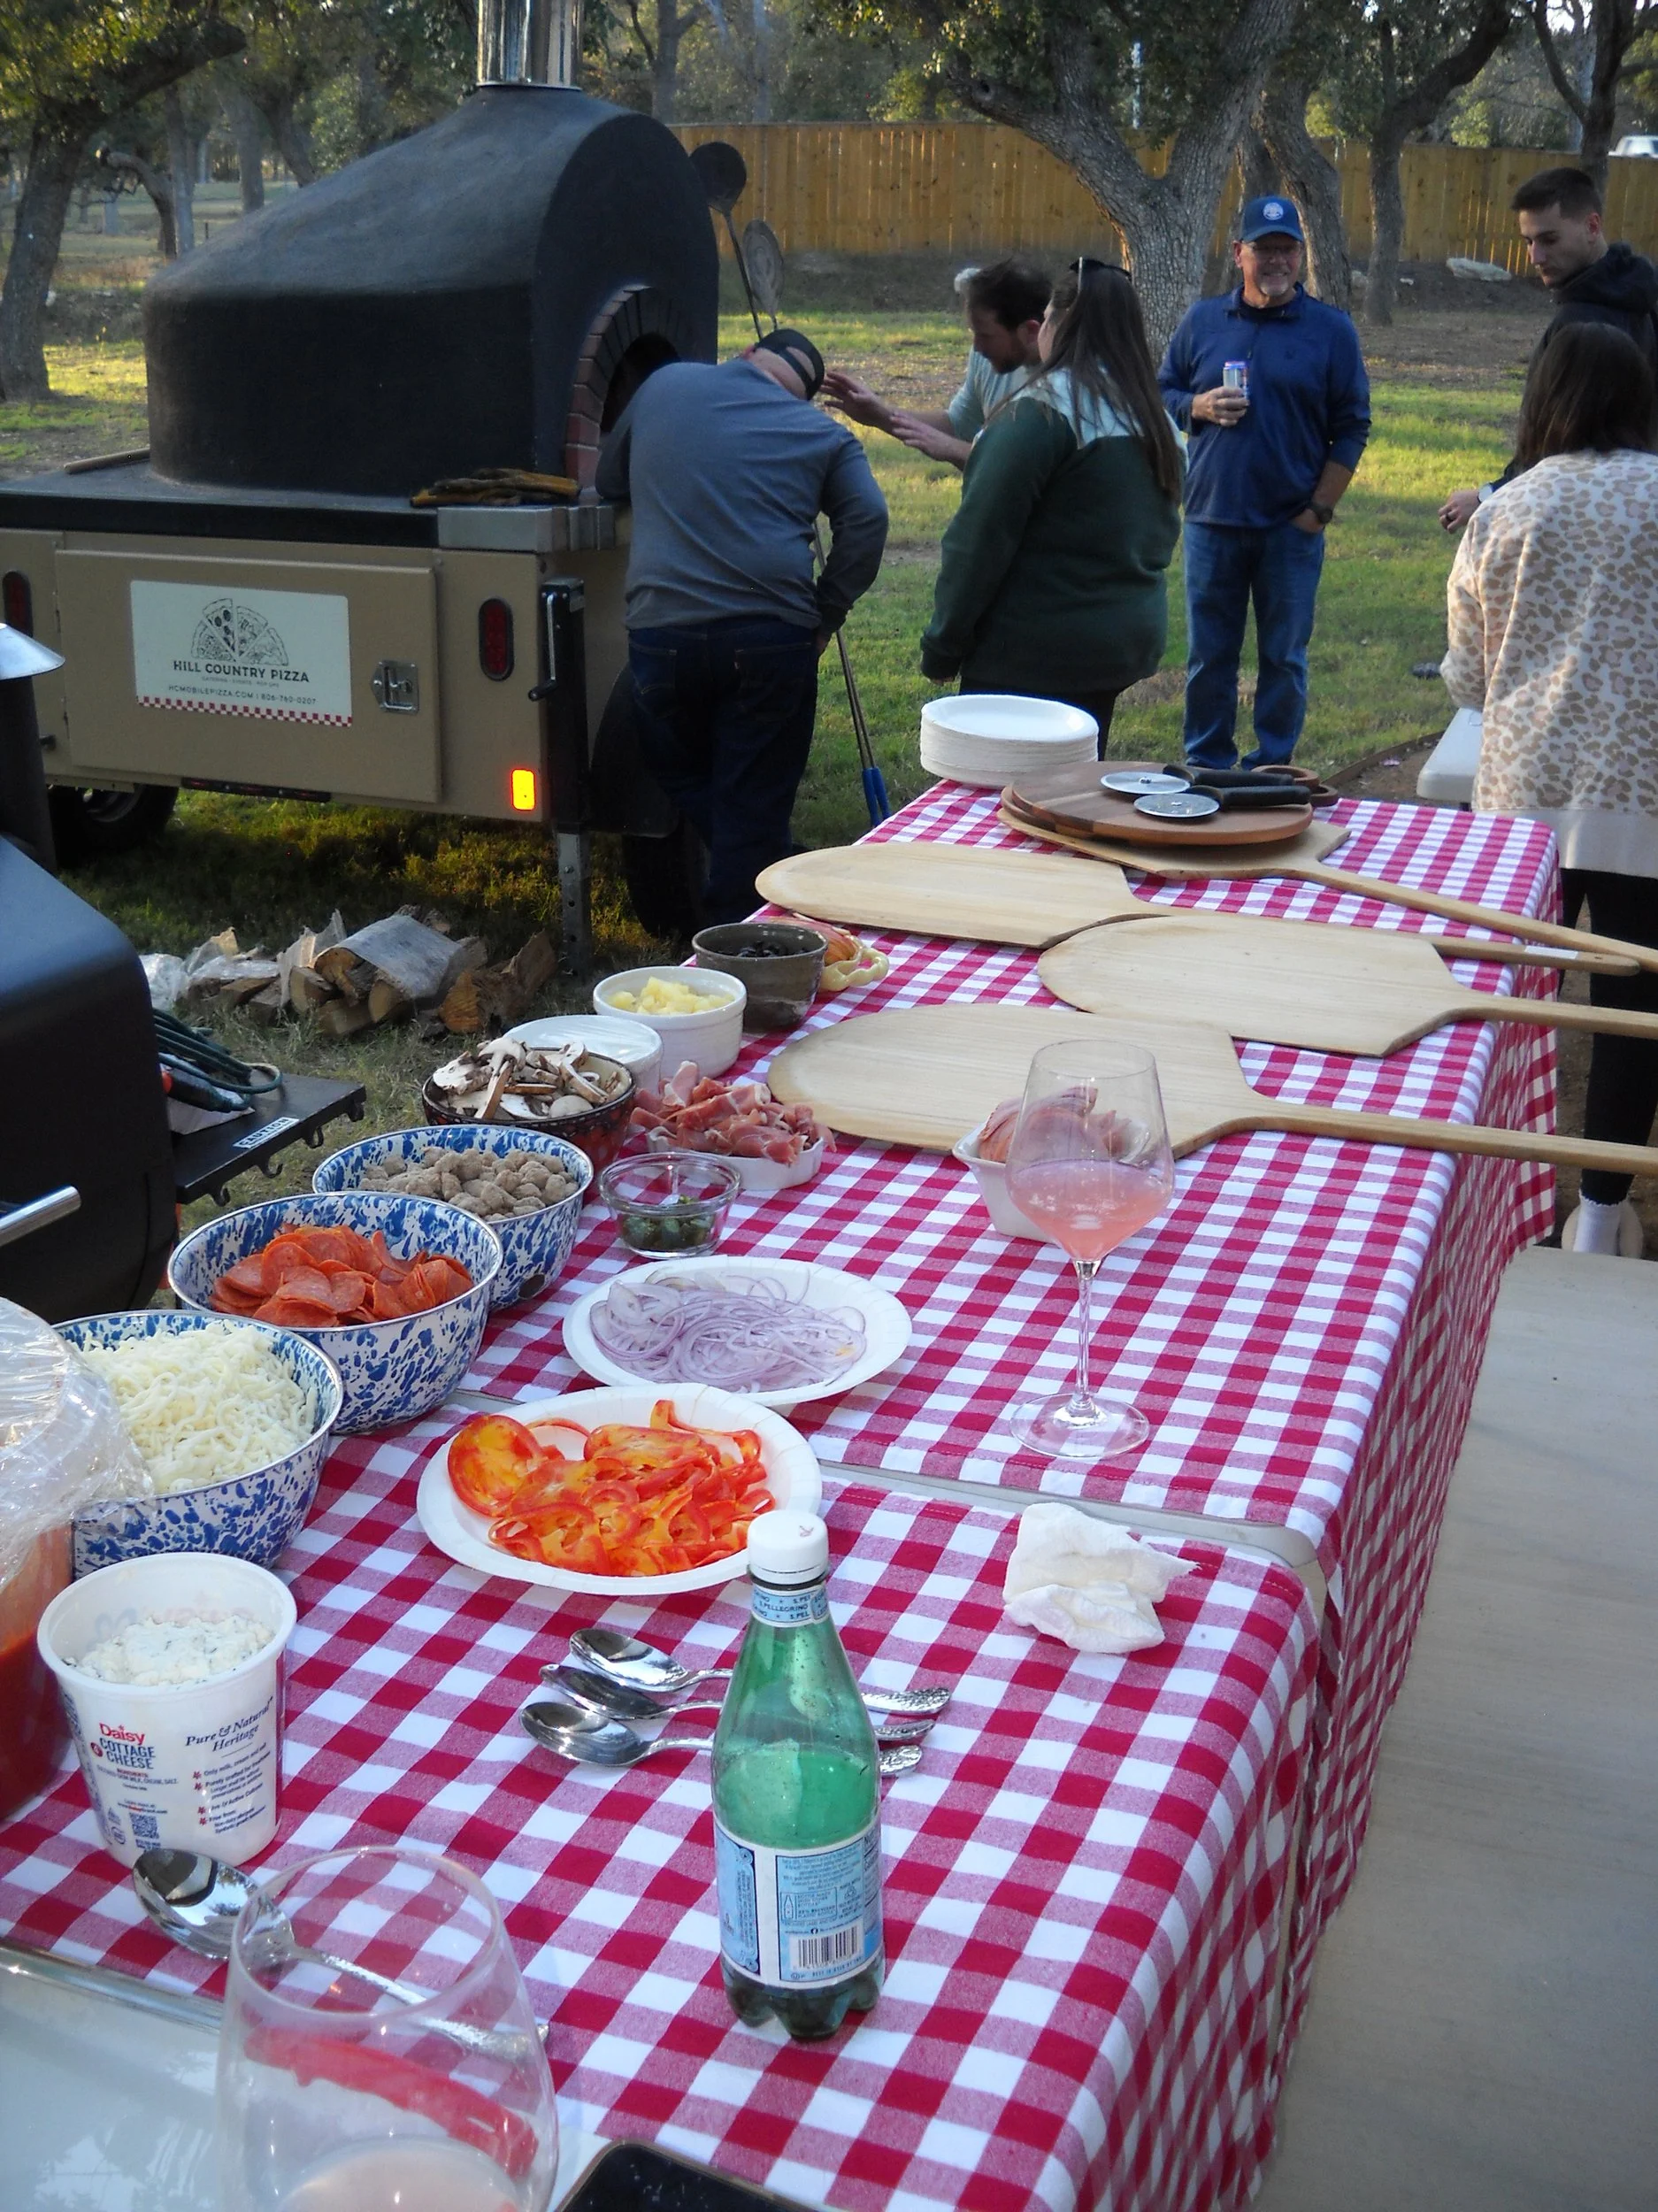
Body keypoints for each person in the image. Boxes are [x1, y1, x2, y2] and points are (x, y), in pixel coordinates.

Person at [1441, 321, 1658, 1258]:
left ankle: (1480, 1197)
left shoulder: (1506, 508)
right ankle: (1598, 1216)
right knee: (1628, 1019)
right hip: (1644, 805)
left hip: (1522, 797)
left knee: (1506, 1011)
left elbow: (1465, 676)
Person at [596, 329, 888, 927]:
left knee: (678, 767)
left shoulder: (663, 386)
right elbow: (870, 520)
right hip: (771, 641)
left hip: (663, 638)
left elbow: (608, 481)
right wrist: (826, 611)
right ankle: (748, 905)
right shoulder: (826, 435)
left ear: (748, 355)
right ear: (802, 396)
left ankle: (739, 913)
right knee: (751, 803)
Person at [917, 260, 1185, 737]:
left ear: (1057, 322)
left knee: (1005, 799)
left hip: (1033, 654)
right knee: (1071, 792)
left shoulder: (1042, 413)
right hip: (1117, 647)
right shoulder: (1154, 417)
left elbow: (978, 541)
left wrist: (943, 645)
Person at [1158, 195, 1370, 772]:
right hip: (1211, 518)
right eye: (1263, 249)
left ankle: (1273, 767)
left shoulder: (1332, 331)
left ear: (1300, 255)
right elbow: (1162, 393)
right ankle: (1207, 765)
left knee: (1283, 656)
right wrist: (1196, 404)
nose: (1276, 261)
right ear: (1239, 254)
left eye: (1286, 249)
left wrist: (1318, 511)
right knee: (1209, 657)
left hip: (1289, 526)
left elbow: (1352, 427)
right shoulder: (1203, 321)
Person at [1439, 166, 1658, 531]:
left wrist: (1488, 496)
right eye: (1528, 241)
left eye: (1549, 240)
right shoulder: (1641, 295)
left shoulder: (1582, 325)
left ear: (1592, 227)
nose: (1535, 256)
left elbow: (1559, 447)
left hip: (1587, 520)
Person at [821, 257, 1050, 469]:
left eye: (986, 336)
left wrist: (953, 450)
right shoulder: (987, 361)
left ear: (1030, 331)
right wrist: (881, 415)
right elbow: (957, 426)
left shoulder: (1067, 381)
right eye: (974, 333)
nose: (977, 347)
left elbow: (1025, 466)